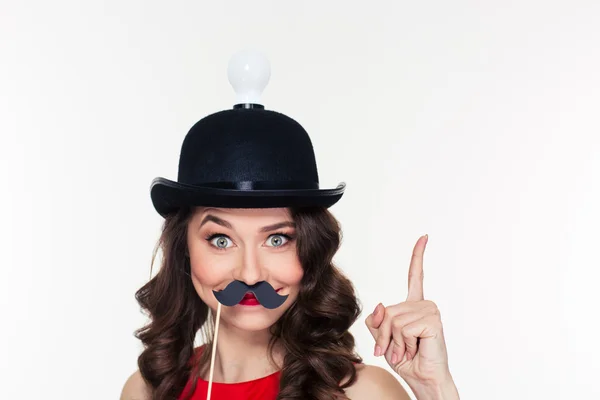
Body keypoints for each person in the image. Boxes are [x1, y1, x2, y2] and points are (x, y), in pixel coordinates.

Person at [120, 52, 459, 400]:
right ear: (184, 251)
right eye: (221, 240)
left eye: (278, 239)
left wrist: (435, 389)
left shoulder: (362, 393)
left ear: (311, 251)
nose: (250, 275)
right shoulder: (146, 391)